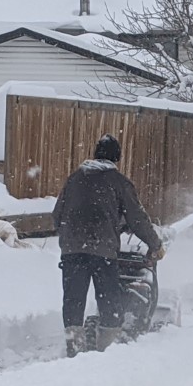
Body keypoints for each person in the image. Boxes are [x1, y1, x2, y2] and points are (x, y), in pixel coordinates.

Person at [52, 134, 165, 357]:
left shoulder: (74, 179)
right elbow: (138, 218)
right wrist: (155, 244)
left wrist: (72, 234)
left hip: (72, 250)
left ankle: (74, 347)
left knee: (73, 299)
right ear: (116, 158)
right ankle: (106, 349)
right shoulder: (119, 182)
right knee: (109, 299)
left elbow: (57, 215)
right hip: (102, 250)